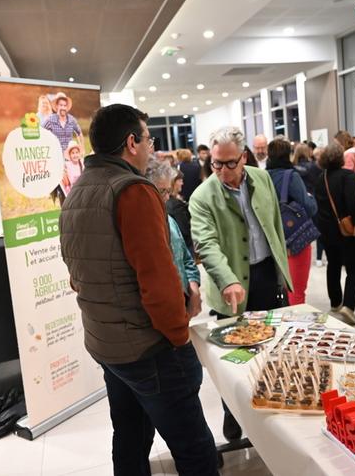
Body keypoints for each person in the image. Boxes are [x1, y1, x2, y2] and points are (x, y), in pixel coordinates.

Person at [59, 104, 217, 476]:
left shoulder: (77, 191)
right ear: (131, 142)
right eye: (148, 138)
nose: (151, 147)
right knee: (195, 450)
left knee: (129, 440)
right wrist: (179, 334)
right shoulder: (133, 190)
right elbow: (158, 283)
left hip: (107, 343)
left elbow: (75, 273)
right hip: (150, 349)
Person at [189, 126, 291, 441]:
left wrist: (282, 269)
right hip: (231, 288)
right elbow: (206, 245)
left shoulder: (261, 179)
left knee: (276, 351)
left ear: (244, 157)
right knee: (236, 360)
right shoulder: (202, 196)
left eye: (229, 163)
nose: (221, 170)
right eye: (215, 164)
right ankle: (232, 415)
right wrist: (228, 280)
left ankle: (277, 416)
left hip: (267, 277)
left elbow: (274, 224)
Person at [313, 143, 355, 325]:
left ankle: (335, 302)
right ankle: (349, 306)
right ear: (341, 158)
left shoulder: (321, 178)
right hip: (347, 230)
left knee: (333, 264)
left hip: (327, 230)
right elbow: (353, 203)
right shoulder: (348, 176)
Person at [145, 158, 202, 319]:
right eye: (161, 191)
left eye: (168, 191)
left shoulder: (169, 220)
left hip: (181, 304)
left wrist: (194, 287)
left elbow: (186, 258)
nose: (167, 197)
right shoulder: (141, 228)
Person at [267, 137, 317, 305]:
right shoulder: (291, 176)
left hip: (271, 239)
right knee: (296, 290)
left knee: (278, 290)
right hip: (295, 240)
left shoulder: (262, 177)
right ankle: (297, 328)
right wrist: (311, 198)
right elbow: (309, 207)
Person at [167, 168, 194, 255]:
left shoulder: (171, 201)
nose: (182, 183)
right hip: (185, 246)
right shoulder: (175, 205)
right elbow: (184, 229)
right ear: (173, 182)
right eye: (180, 180)